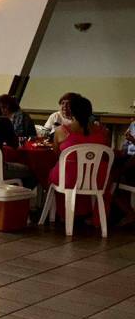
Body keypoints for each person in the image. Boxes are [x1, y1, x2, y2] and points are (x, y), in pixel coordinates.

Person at [48, 95, 111, 226]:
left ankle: (63, 214)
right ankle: (91, 215)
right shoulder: (103, 131)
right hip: (97, 179)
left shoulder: (61, 131)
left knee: (55, 172)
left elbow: (57, 155)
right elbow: (105, 154)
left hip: (69, 179)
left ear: (71, 112)